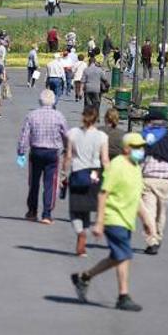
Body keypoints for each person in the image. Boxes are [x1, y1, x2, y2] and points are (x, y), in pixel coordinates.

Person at [70, 133, 155, 312]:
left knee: (116, 256)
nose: (140, 150)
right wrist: (100, 222)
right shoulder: (117, 166)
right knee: (124, 255)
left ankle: (84, 277)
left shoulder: (136, 167)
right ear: (126, 148)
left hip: (127, 219)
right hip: (113, 218)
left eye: (142, 147)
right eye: (136, 147)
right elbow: (103, 193)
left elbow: (135, 197)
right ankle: (123, 296)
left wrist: (146, 220)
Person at [62, 107, 109, 257]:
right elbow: (105, 160)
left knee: (75, 209)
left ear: (82, 117)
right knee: (87, 209)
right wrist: (110, 177)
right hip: (94, 174)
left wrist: (64, 174)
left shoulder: (73, 134)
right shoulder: (102, 136)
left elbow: (68, 156)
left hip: (78, 172)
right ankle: (85, 235)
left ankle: (80, 232)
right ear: (97, 119)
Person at [16, 90, 69, 225]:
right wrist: (67, 148)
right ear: (53, 101)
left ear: (40, 101)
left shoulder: (32, 115)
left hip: (36, 150)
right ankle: (47, 213)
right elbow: (65, 134)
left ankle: (32, 211)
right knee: (50, 184)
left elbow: (25, 135)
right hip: (52, 152)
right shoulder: (59, 116)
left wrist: (21, 151)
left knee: (33, 182)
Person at [139, 111, 168, 255]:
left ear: (150, 122)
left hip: (148, 178)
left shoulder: (145, 137)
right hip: (166, 181)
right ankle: (157, 237)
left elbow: (139, 157)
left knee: (149, 212)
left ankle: (152, 240)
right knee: (161, 213)